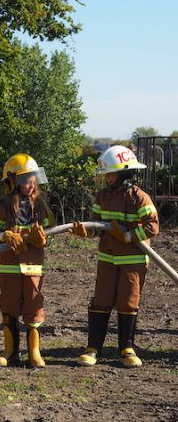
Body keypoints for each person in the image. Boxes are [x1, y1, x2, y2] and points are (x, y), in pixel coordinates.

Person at [70, 145, 159, 368]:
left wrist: (128, 236)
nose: (107, 178)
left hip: (133, 260)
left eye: (109, 174)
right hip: (108, 258)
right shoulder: (103, 196)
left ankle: (126, 348)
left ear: (123, 173)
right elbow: (97, 225)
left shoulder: (139, 198)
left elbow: (152, 227)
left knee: (128, 303)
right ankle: (93, 348)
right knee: (101, 300)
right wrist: (86, 231)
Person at [0, 154, 54, 368]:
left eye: (33, 178)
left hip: (33, 267)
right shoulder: (3, 205)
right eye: (25, 179)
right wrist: (4, 236)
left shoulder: (40, 205)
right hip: (9, 267)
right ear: (12, 181)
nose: (30, 184)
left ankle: (34, 352)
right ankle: (10, 352)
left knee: (34, 305)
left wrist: (43, 238)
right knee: (9, 305)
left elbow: (51, 233)